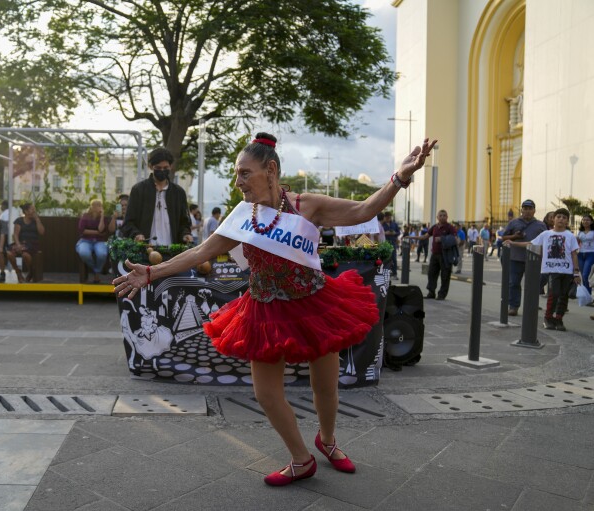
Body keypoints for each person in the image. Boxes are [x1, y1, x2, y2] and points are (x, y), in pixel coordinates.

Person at [113, 132, 437, 486]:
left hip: (315, 304)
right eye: (236, 175)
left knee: (325, 387)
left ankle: (327, 441)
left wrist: (400, 176)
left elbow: (363, 210)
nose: (238, 182)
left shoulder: (306, 205)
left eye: (244, 173)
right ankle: (301, 458)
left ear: (270, 169)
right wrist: (152, 272)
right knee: (267, 394)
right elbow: (198, 253)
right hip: (265, 309)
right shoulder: (241, 217)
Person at [506, 208, 581, 331]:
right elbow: (530, 243)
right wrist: (513, 243)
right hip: (552, 270)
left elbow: (574, 254)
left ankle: (559, 319)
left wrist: (576, 272)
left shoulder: (570, 236)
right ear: (554, 219)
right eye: (559, 216)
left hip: (567, 271)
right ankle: (548, 318)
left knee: (563, 296)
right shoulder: (546, 234)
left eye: (564, 217)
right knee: (554, 294)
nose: (561, 219)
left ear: (567, 221)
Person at [121, 147, 193, 245]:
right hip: (146, 250)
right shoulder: (138, 190)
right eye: (158, 168)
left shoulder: (178, 193)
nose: (162, 170)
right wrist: (136, 234)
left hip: (172, 251)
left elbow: (184, 222)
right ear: (151, 166)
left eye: (165, 168)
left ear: (171, 166)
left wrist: (185, 235)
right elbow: (128, 222)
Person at [501, 199, 547, 315]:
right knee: (514, 283)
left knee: (532, 285)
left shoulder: (540, 225)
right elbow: (504, 238)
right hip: (515, 258)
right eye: (525, 209)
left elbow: (546, 241)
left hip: (533, 260)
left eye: (530, 209)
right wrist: (515, 236)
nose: (527, 211)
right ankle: (513, 306)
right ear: (521, 210)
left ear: (534, 211)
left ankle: (530, 306)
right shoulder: (514, 222)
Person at [407, 210, 458, 300]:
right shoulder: (434, 227)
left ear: (447, 217)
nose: (442, 217)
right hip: (434, 254)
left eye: (444, 215)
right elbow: (424, 236)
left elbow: (456, 239)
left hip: (445, 256)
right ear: (437, 217)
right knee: (431, 274)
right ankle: (431, 292)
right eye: (440, 215)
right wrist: (411, 237)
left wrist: (443, 239)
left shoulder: (450, 227)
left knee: (445, 275)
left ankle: (442, 294)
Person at [7, 202, 45, 282]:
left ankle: (30, 271)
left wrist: (37, 219)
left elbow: (42, 232)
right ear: (26, 211)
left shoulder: (36, 220)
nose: (34, 211)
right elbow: (15, 235)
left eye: (34, 209)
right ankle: (18, 272)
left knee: (25, 255)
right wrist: (18, 245)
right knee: (9, 254)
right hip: (20, 242)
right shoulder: (19, 220)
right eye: (32, 209)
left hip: (33, 243)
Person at [76, 199, 110, 283]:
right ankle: (96, 271)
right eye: (95, 205)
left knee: (102, 254)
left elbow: (101, 229)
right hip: (85, 241)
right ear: (91, 206)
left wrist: (102, 216)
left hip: (99, 241)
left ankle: (96, 272)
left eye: (99, 205)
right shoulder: (85, 216)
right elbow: (82, 230)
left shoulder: (103, 218)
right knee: (84, 253)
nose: (97, 207)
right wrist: (97, 233)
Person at [577, 214, 594, 297]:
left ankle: (588, 294)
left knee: (585, 274)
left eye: (587, 220)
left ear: (591, 222)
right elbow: (577, 242)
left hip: (591, 254)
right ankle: (586, 295)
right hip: (580, 254)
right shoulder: (580, 232)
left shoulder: (593, 232)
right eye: (583, 220)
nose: (585, 221)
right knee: (583, 275)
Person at [382, 212, 400, 278]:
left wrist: (395, 233)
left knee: (394, 258)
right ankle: (386, 273)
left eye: (389, 217)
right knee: (386, 259)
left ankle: (394, 273)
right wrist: (385, 233)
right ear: (384, 217)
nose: (388, 218)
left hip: (393, 243)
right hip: (385, 243)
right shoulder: (382, 224)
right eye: (387, 217)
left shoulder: (394, 224)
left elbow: (398, 232)